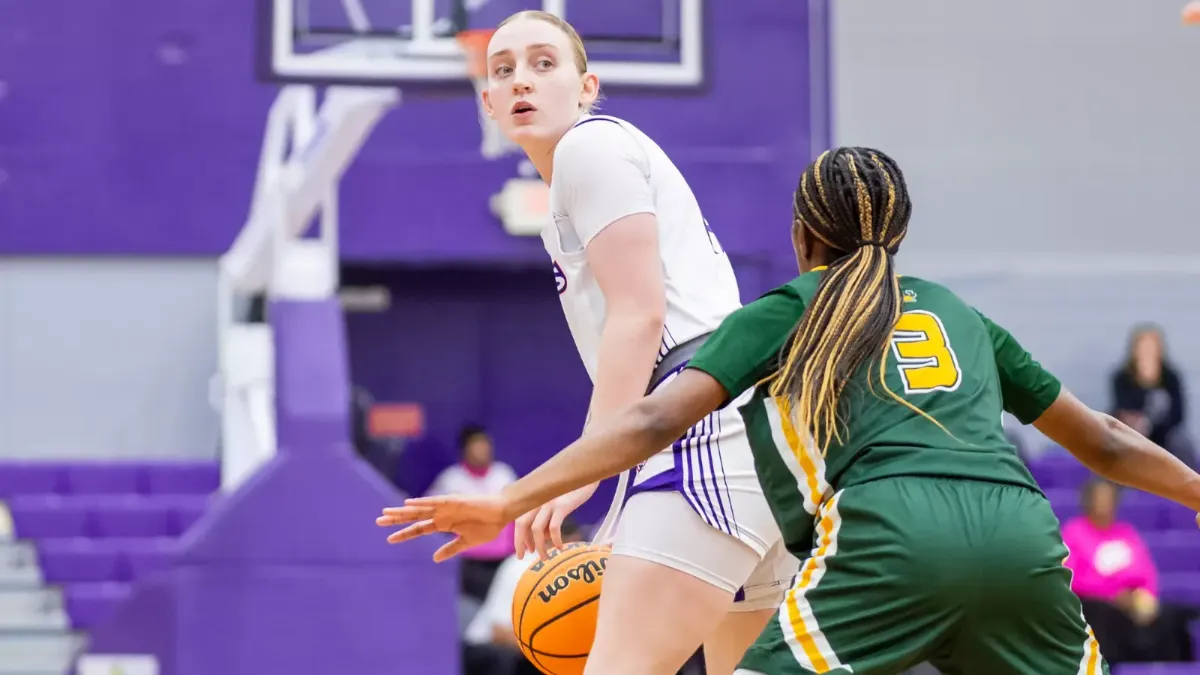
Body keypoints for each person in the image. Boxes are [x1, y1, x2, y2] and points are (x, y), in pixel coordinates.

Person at [379, 146, 1200, 675]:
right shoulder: (959, 312)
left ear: (805, 232)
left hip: (891, 532)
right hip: (1022, 536)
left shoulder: (791, 305)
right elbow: (1104, 442)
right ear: (900, 234)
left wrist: (507, 499)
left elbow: (651, 423)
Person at [445, 9, 799, 675]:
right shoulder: (577, 186)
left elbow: (641, 316)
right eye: (504, 69)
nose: (522, 79)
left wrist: (586, 469)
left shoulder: (591, 147)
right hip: (750, 435)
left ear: (587, 85)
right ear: (488, 102)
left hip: (700, 428)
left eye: (544, 63)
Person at [1064, 479, 1193, 664]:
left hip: (1132, 601)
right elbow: (1071, 579)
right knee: (1105, 615)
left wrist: (1146, 596)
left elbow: (1147, 572)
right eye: (1099, 498)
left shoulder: (1126, 533)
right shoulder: (1074, 533)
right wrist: (1114, 595)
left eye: (1108, 498)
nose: (1104, 503)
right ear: (1088, 501)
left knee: (1173, 617)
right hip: (1098, 604)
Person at [462, 516, 586, 675]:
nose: (574, 555)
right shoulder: (520, 567)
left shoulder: (573, 573)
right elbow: (498, 632)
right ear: (549, 542)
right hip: (487, 651)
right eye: (569, 549)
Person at [427, 424, 518, 600]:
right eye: (477, 445)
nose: (483, 450)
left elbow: (518, 510)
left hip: (503, 558)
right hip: (467, 560)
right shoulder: (451, 480)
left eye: (486, 445)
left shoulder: (504, 474)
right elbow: (431, 514)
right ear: (465, 449)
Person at [1111, 325, 1191, 465]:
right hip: (1133, 433)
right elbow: (1122, 409)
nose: (1147, 352)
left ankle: (1185, 483)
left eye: (1152, 347)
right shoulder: (1122, 377)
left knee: (1182, 443)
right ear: (1134, 350)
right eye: (1143, 347)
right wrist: (1144, 382)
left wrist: (1155, 429)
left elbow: (1178, 415)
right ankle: (1106, 485)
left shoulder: (1171, 377)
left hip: (1165, 435)